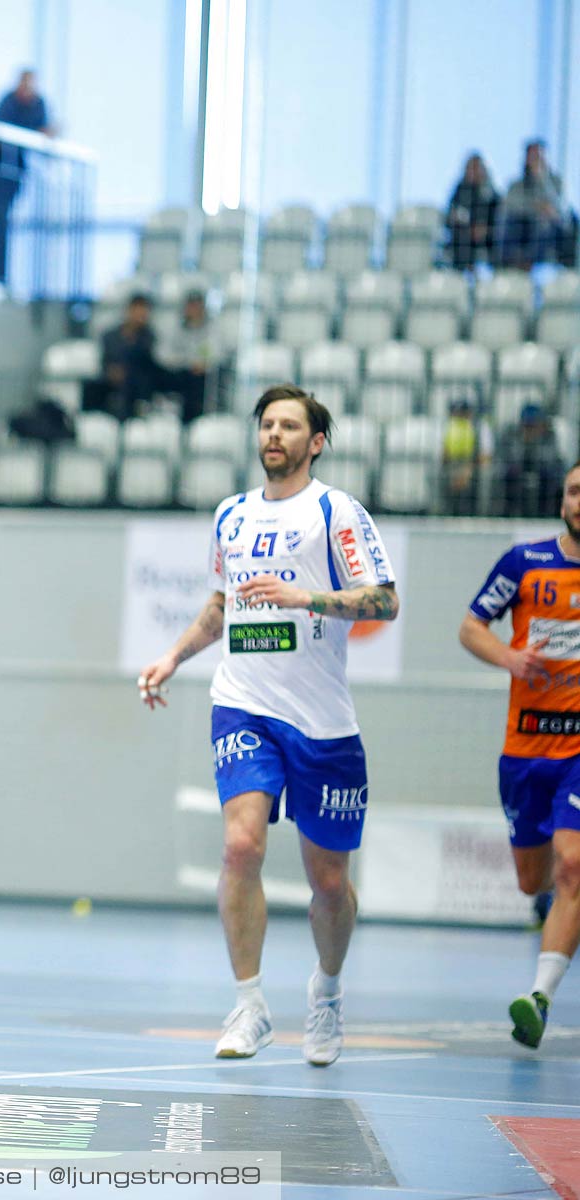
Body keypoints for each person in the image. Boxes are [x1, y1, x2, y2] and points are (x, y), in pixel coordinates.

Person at [138, 385, 398, 1066]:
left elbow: (385, 599)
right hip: (243, 701)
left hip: (322, 721)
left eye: (290, 425)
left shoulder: (335, 511)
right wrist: (171, 657)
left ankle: (327, 990)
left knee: (330, 885)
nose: (274, 434)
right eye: (267, 424)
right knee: (241, 847)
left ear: (316, 442)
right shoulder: (232, 515)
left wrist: (304, 595)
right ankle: (249, 1004)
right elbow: (221, 605)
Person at [459, 465, 580, 1049]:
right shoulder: (524, 563)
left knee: (573, 861)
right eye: (575, 490)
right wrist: (509, 659)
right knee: (534, 876)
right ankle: (551, 907)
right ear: (563, 499)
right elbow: (470, 627)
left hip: (578, 751)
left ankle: (539, 997)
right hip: (525, 747)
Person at [0, 69, 53, 285]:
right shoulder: (7, 102)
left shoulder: (38, 105)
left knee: (3, 224)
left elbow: (40, 131)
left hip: (14, 177)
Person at [82, 293, 161, 420]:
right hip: (110, 379)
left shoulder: (148, 337)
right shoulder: (109, 336)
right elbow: (105, 360)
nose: (140, 316)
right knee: (91, 387)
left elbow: (146, 363)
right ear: (129, 310)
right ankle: (89, 422)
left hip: (136, 382)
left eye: (144, 312)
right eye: (137, 311)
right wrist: (111, 371)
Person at [502, 139, 577, 269]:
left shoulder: (556, 182)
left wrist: (542, 178)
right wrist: (536, 207)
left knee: (544, 222)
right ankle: (518, 263)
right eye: (532, 156)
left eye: (539, 155)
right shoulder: (516, 185)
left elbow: (561, 210)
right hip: (523, 229)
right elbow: (510, 204)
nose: (536, 160)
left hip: (552, 231)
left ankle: (530, 263)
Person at [499, 404, 569, 518]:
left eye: (533, 425)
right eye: (527, 425)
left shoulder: (550, 436)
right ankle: (508, 514)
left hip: (543, 478)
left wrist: (534, 449)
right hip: (517, 476)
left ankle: (547, 514)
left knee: (552, 479)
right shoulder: (511, 435)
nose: (530, 429)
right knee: (509, 477)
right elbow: (505, 458)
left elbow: (552, 460)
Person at [156, 289, 215, 423]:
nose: (193, 310)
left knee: (198, 382)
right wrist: (184, 362)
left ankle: (191, 423)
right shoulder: (174, 328)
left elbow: (214, 354)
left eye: (197, 306)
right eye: (191, 306)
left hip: (201, 376)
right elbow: (163, 354)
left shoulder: (211, 331)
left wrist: (202, 364)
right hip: (177, 373)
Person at [446, 152, 499, 271]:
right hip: (464, 235)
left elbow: (499, 220)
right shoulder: (459, 191)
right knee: (460, 235)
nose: (473, 172)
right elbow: (449, 218)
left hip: (487, 238)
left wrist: (485, 230)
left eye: (476, 168)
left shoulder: (492, 194)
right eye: (470, 168)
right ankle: (462, 274)